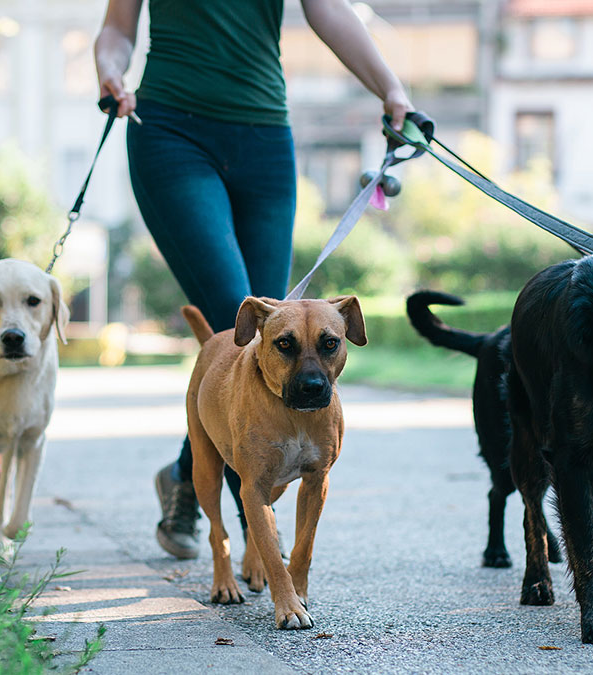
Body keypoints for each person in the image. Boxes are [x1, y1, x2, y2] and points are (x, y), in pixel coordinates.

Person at [95, 0, 412, 559]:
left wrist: (390, 88)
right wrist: (110, 70)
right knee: (239, 323)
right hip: (169, 132)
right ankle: (252, 525)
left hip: (264, 138)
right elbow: (118, 29)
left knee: (278, 333)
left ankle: (187, 474)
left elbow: (329, 11)